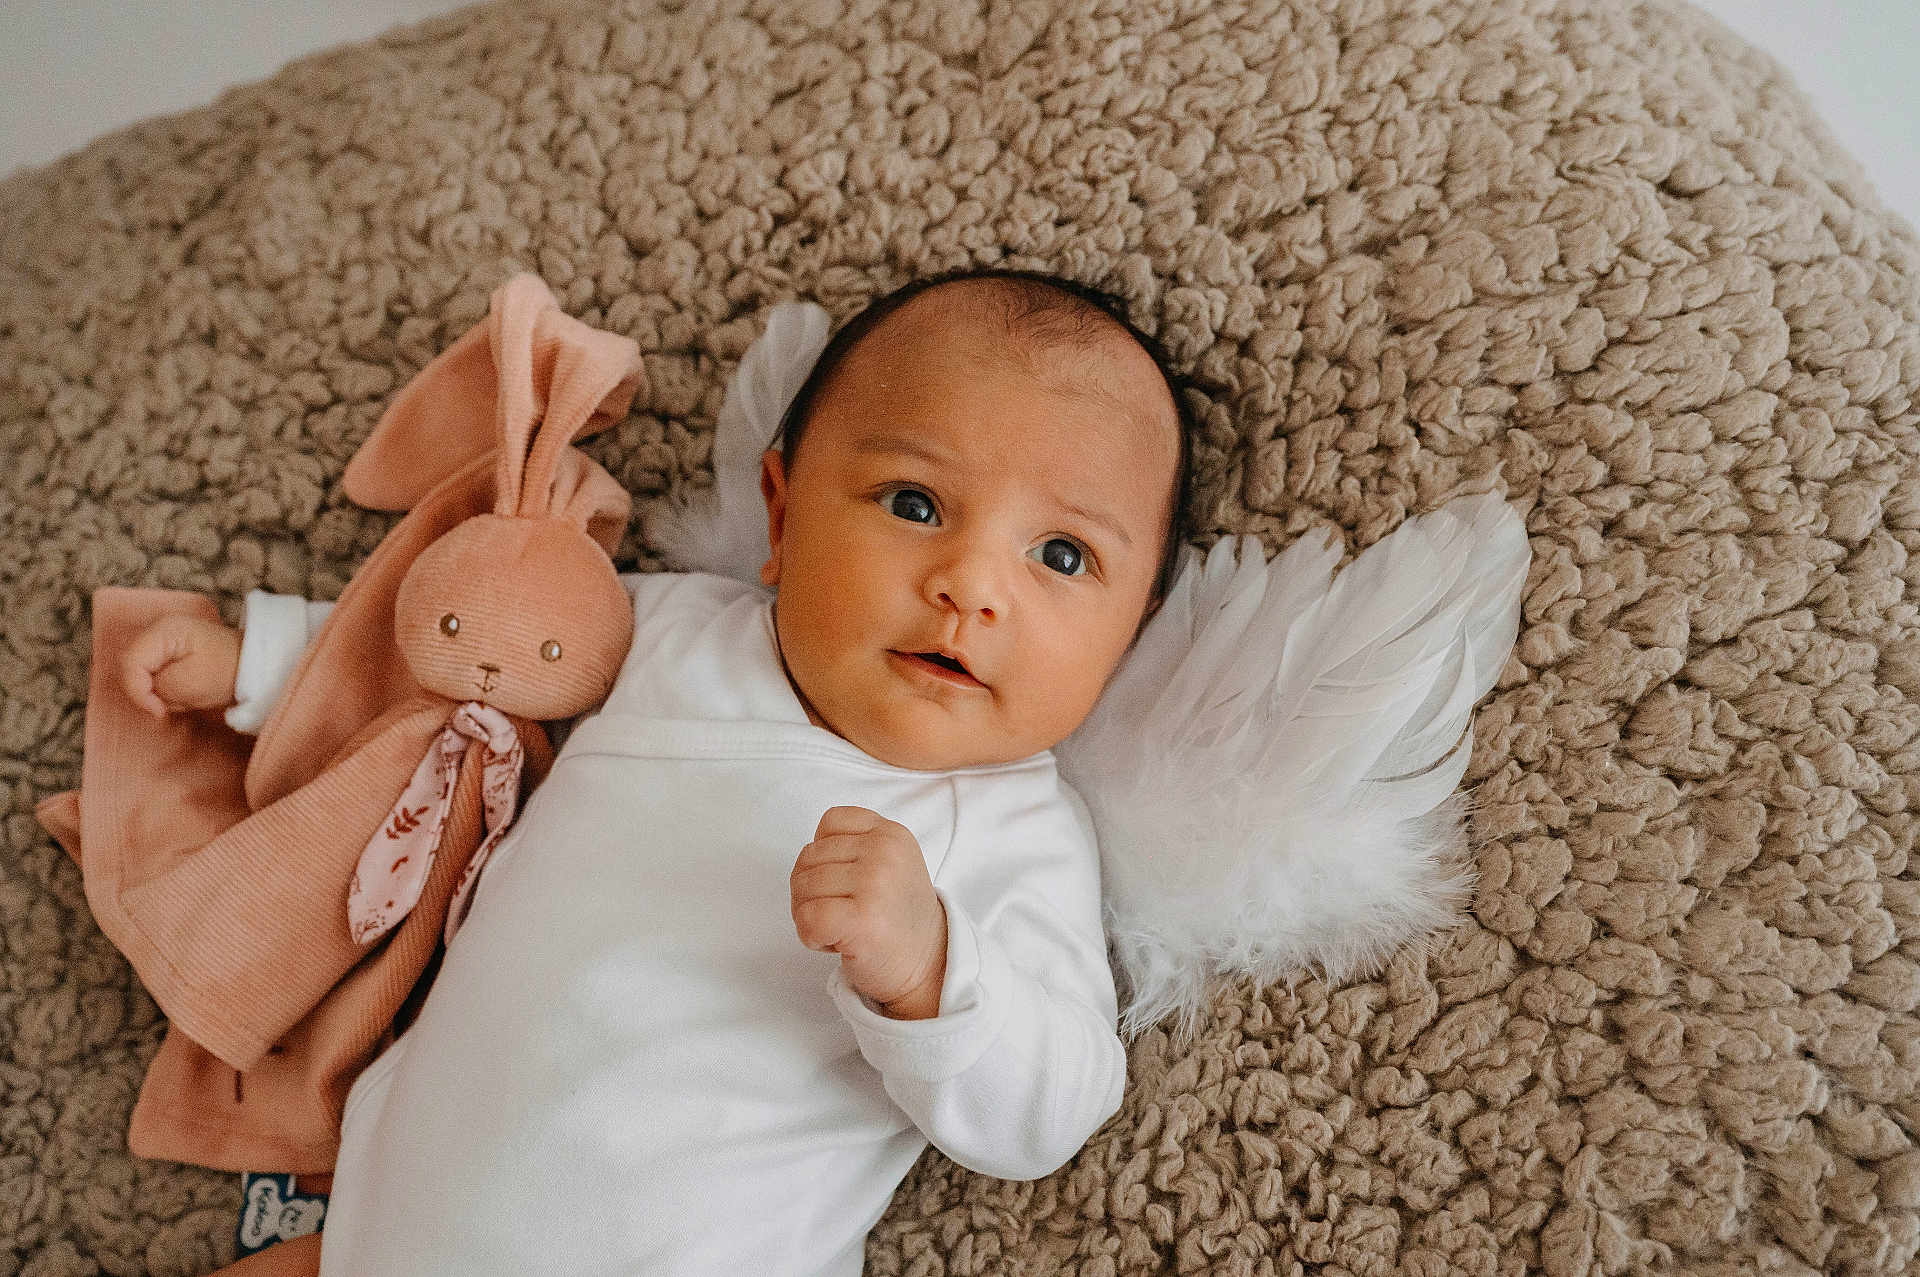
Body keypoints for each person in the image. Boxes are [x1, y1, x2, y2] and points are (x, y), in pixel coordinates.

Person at [122, 268, 1195, 1275]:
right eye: (913, 503)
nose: (971, 584)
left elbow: (1052, 1111)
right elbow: (472, 651)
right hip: (385, 1228)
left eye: (1062, 556)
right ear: (782, 515)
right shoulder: (674, 630)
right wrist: (259, 662)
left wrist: (927, 969)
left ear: (1131, 630)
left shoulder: (1019, 829)